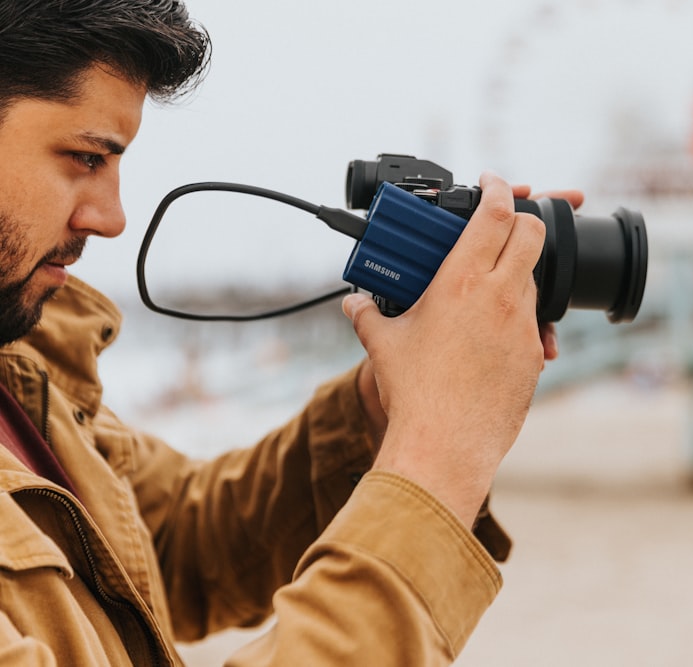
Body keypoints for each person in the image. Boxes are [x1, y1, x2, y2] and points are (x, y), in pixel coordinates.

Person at [0, 1, 579, 664]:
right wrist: (434, 461)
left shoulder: (22, 367)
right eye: (84, 158)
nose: (112, 218)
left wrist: (384, 406)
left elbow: (180, 539)